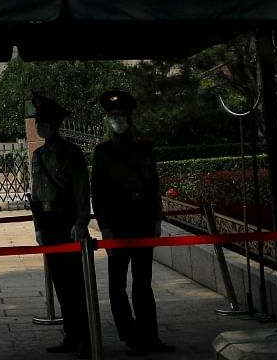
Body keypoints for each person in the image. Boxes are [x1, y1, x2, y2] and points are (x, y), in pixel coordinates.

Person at [91, 89, 175, 355]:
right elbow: (98, 192)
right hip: (117, 225)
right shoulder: (103, 152)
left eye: (121, 115)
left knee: (143, 283)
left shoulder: (145, 147)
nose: (117, 120)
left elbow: (153, 186)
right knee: (117, 284)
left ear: (129, 118)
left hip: (141, 222)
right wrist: (104, 227)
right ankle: (130, 335)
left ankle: (150, 335)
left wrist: (156, 219)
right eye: (112, 116)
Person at [29, 93, 91, 357]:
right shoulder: (38, 154)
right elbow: (36, 192)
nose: (38, 126)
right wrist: (38, 227)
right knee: (60, 284)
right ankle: (70, 335)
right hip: (49, 221)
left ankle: (87, 338)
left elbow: (81, 190)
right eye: (37, 121)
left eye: (42, 122)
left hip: (67, 222)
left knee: (76, 284)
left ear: (53, 125)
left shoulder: (70, 153)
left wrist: (81, 221)